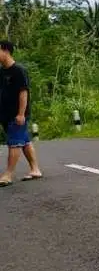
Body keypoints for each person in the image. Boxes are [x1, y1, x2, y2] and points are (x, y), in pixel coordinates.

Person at [0, 40, 42, 186]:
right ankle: (35, 169)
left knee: (15, 143)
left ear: (5, 51)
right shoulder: (1, 71)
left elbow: (23, 93)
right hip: (5, 114)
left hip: (17, 114)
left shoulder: (18, 70)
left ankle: (8, 174)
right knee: (24, 141)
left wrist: (21, 114)